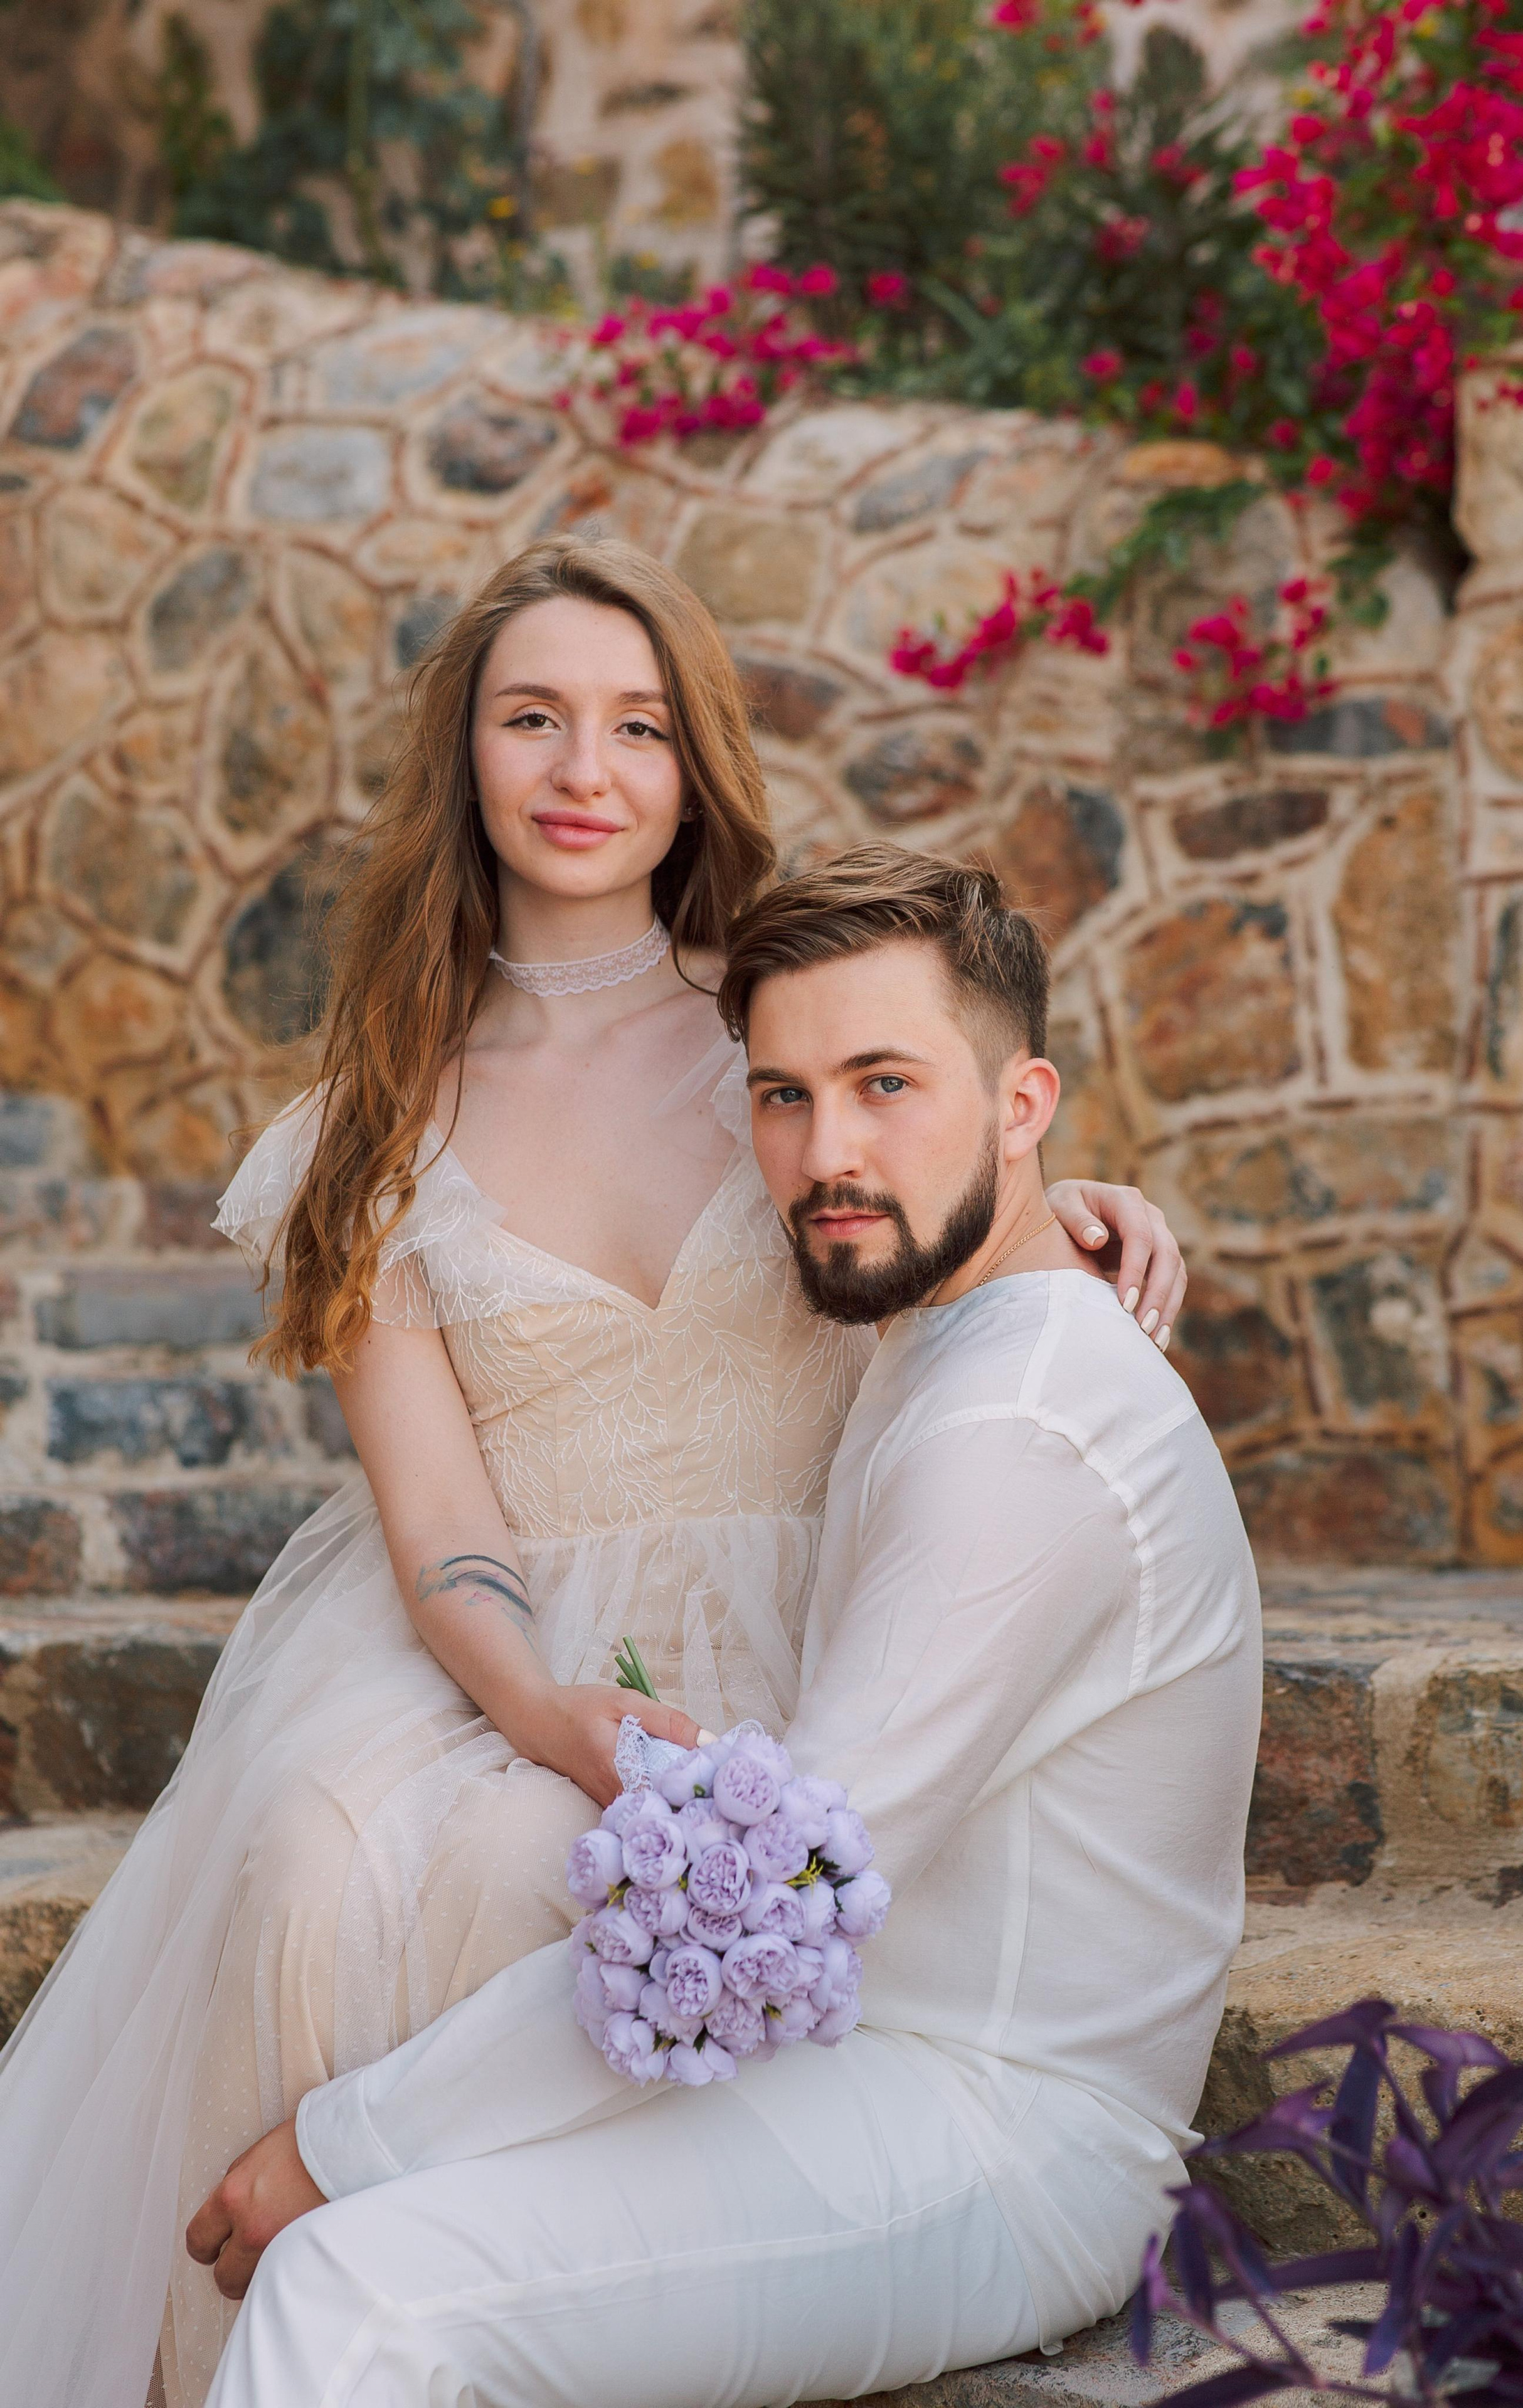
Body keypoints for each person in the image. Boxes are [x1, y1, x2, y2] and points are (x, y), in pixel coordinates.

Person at [0, 544, 1186, 2408]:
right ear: (464, 754)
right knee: (325, 1853)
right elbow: (444, 1526)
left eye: (639, 727)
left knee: (537, 1881)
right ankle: (237, 2358)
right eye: (533, 718)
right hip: (511, 1628)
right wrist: (550, 1710)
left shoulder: (774, 1034)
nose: (585, 768)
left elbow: (922, 1175)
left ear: (694, 765)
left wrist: (1075, 1207)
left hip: (794, 1599)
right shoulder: (379, 1114)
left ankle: (534, 2300)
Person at [186, 847, 1262, 2408]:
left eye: (886, 1083)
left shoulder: (1018, 1426)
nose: (827, 1151)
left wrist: (338, 2143)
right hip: (853, 2057)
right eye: (781, 1095)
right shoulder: (941, 1327)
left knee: (354, 2286)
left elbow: (775, 1903)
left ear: (1021, 1107)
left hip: (997, 2127)